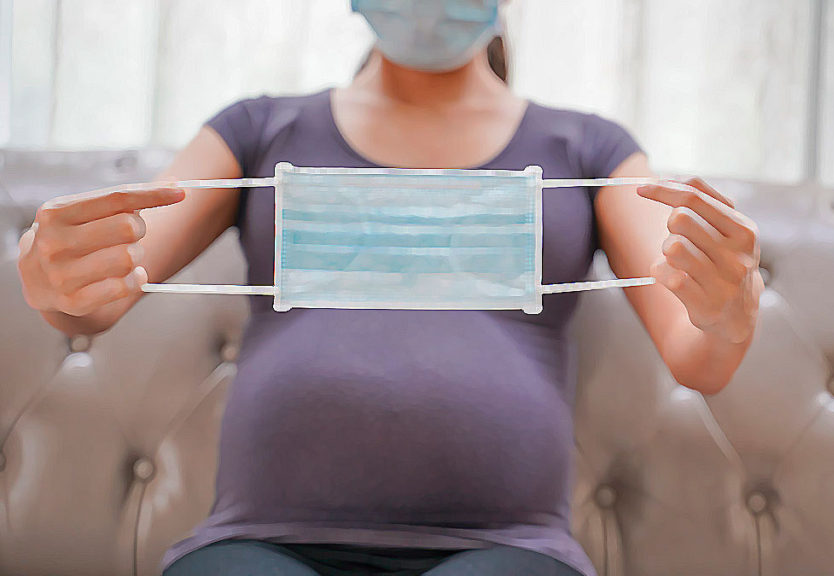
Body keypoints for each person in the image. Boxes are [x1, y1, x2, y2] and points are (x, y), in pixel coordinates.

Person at [16, 1, 763, 575]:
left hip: (506, 551)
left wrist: (728, 314)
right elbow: (101, 291)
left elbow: (697, 351)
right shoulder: (259, 127)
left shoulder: (590, 147)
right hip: (259, 546)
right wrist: (55, 277)